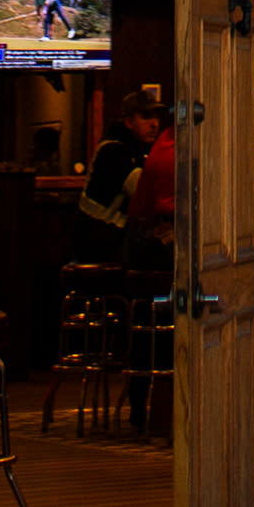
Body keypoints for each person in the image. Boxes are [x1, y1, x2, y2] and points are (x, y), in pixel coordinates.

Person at [124, 104, 179, 436]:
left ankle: (142, 405)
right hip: (156, 245)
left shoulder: (164, 143)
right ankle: (169, 410)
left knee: (151, 323)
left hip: (141, 246)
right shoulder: (180, 150)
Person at [74, 88, 160, 267]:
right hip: (98, 242)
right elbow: (144, 192)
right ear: (128, 122)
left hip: (109, 238)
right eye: (146, 116)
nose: (154, 123)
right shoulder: (113, 150)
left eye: (156, 116)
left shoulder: (137, 149)